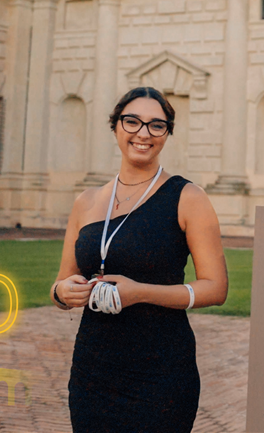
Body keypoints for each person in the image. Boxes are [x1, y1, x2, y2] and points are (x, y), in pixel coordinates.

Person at [51, 87, 229, 432]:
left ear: (167, 133)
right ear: (115, 126)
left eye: (156, 125)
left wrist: (140, 292)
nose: (143, 133)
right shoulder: (86, 201)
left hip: (160, 372)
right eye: (132, 122)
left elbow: (216, 288)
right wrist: (62, 292)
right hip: (92, 370)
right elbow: (60, 285)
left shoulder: (188, 197)